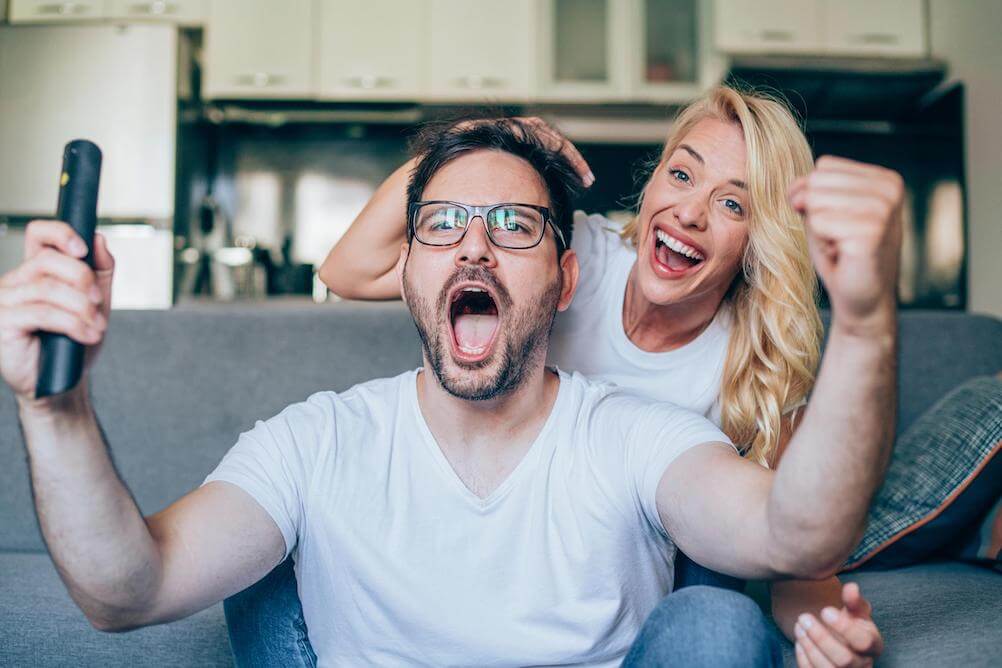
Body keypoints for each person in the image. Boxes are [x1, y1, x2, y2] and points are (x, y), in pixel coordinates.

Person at [1, 118, 901, 667]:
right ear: (408, 271)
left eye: (513, 224)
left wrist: (863, 323)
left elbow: (796, 533)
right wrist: (55, 408)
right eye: (443, 225)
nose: (474, 247)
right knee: (264, 577)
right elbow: (127, 590)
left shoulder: (638, 434)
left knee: (714, 619)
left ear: (566, 275)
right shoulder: (315, 441)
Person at [321, 88, 899, 666]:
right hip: (523, 545)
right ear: (651, 184)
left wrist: (831, 633)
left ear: (759, 240)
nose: (690, 212)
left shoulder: (758, 369)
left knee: (714, 584)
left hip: (643, 592)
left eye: (733, 206)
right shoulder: (573, 258)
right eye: (681, 175)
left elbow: (791, 559)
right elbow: (347, 271)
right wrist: (480, 140)